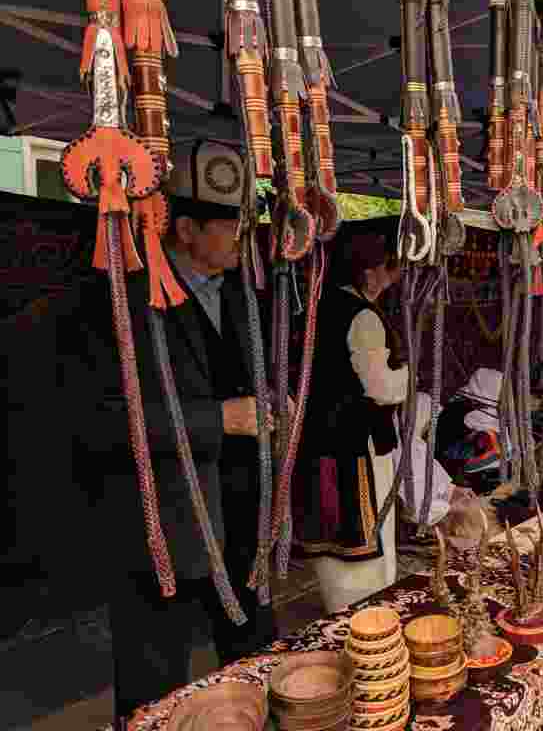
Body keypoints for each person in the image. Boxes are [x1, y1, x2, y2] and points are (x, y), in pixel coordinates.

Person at [65, 141, 277, 719]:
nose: (242, 238)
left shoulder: (241, 296)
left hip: (240, 522)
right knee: (155, 693)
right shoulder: (121, 302)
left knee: (260, 669)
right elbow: (98, 423)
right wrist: (219, 420)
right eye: (229, 225)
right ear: (185, 230)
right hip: (162, 533)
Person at [294, 232, 407, 612]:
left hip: (320, 440)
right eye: (388, 269)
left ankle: (340, 615)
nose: (392, 279)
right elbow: (382, 387)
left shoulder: (319, 307)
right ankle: (366, 621)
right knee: (366, 537)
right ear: (369, 273)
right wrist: (408, 378)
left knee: (334, 539)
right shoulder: (363, 317)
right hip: (357, 444)